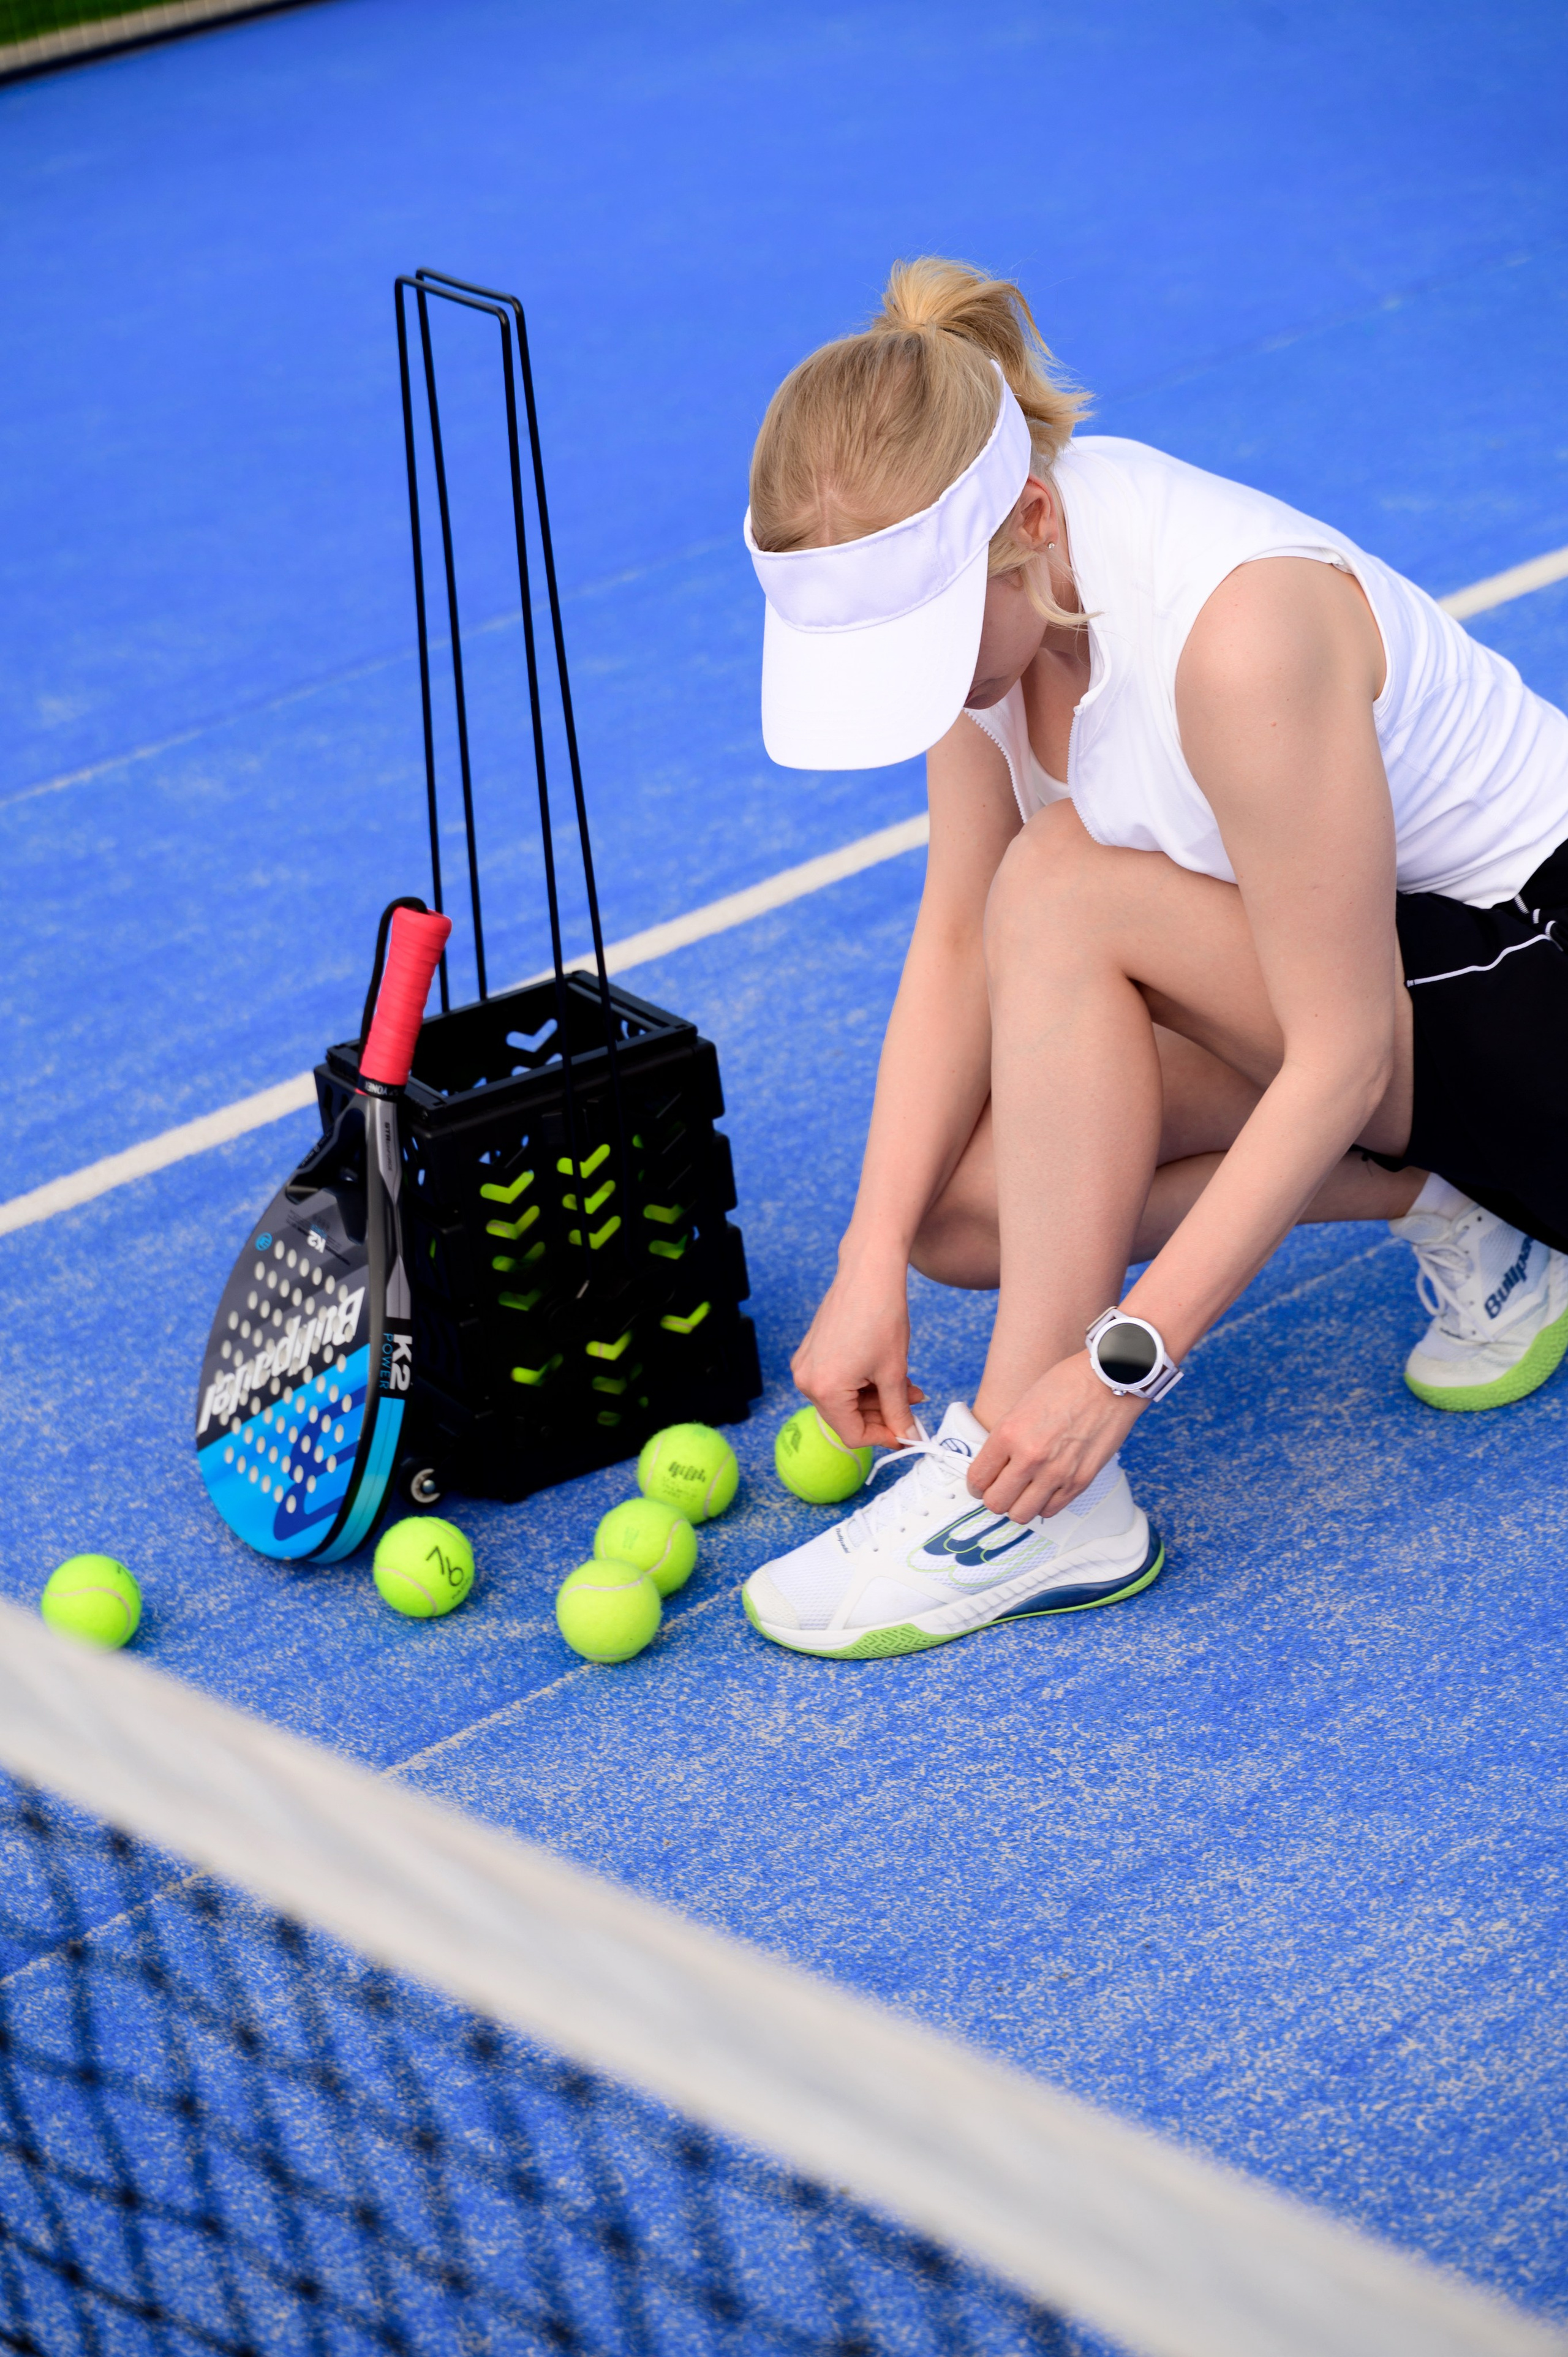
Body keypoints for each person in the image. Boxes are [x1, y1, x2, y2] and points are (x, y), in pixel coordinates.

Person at [737, 257, 1568, 1661]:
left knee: (1061, 885)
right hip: (1376, 993)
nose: (921, 691)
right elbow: (952, 938)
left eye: (921, 651)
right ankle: (1452, 1204)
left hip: (1528, 989)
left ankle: (1030, 1492)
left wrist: (1114, 1364)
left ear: (1033, 522)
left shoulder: (1235, 633)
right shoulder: (986, 603)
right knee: (949, 1213)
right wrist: (867, 1257)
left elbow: (1341, 1049)